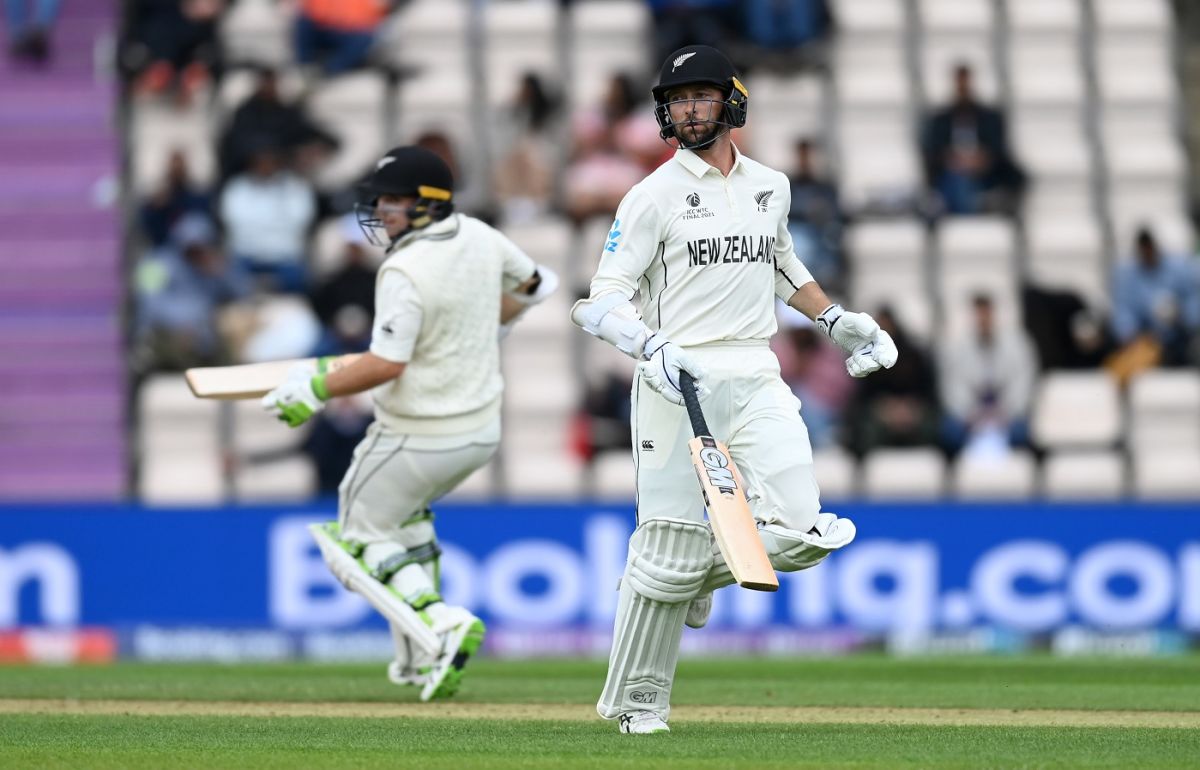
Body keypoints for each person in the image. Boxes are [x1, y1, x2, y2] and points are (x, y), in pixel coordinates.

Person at [569, 45, 897, 735]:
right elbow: (599, 302)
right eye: (678, 99)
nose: (689, 110)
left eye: (702, 96)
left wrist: (836, 320)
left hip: (755, 373)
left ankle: (679, 575)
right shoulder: (650, 197)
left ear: (731, 102)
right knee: (667, 543)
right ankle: (639, 707)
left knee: (807, 533)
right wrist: (648, 346)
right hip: (674, 379)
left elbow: (781, 263)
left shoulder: (771, 186)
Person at [261, 146, 557, 701]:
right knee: (404, 521)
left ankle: (440, 625)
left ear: (428, 204)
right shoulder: (478, 233)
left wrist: (313, 389)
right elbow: (540, 285)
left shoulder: (402, 269)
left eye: (393, 200)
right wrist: (489, 327)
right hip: (478, 433)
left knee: (352, 537)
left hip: (417, 432)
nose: (381, 210)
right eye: (380, 200)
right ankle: (420, 657)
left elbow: (386, 364)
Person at [939, 294, 1037, 456]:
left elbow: (1023, 384)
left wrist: (1005, 413)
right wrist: (971, 414)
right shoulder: (956, 347)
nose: (983, 320)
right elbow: (952, 386)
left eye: (987, 314)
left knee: (1021, 432)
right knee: (950, 432)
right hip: (970, 416)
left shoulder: (1018, 345)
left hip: (1006, 414)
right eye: (979, 315)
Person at [920, 64, 1024, 216]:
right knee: (960, 183)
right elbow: (933, 151)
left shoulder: (990, 118)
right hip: (951, 177)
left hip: (985, 176)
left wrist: (981, 160)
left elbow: (998, 149)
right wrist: (954, 161)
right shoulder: (940, 120)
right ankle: (971, 215)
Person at [1110, 227, 1200, 367]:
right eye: (1144, 250)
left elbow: (1194, 301)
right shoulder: (1127, 275)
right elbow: (1123, 311)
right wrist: (1132, 334)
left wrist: (1181, 315)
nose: (1148, 253)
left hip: (1181, 336)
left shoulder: (1179, 268)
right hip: (1148, 340)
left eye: (1150, 248)